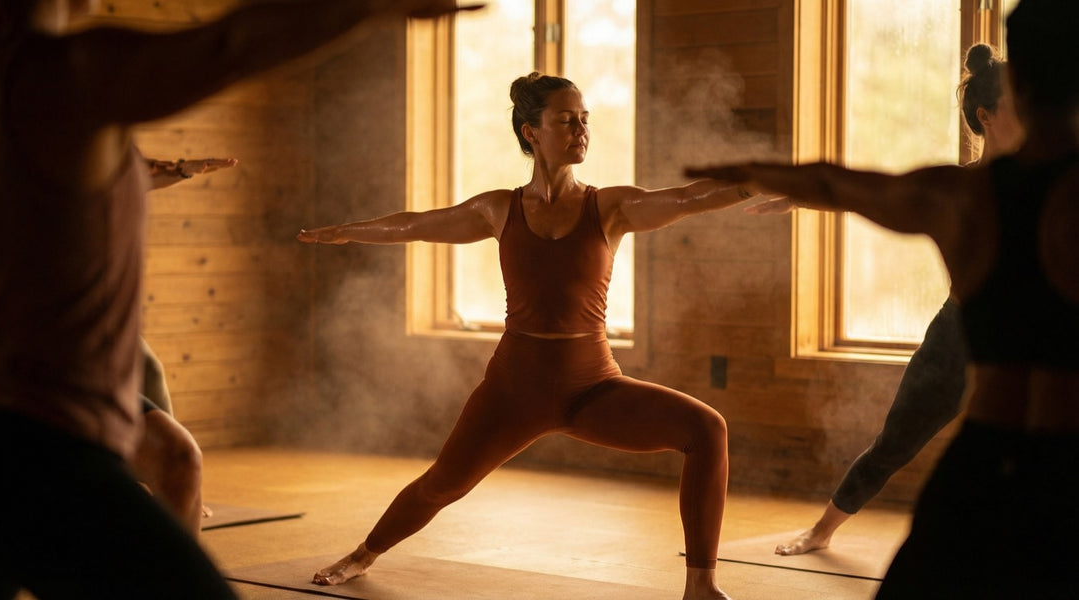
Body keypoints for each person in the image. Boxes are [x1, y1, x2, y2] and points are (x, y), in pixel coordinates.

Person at [0, 1, 480, 598]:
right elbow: (231, 44)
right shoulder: (60, 72)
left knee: (173, 455)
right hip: (39, 447)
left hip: (14, 432)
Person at [298, 72, 774, 600]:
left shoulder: (610, 207)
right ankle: (363, 554)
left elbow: (687, 199)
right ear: (531, 131)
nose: (581, 130)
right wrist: (346, 231)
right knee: (442, 485)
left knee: (707, 429)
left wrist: (760, 182)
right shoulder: (498, 209)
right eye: (567, 120)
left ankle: (700, 586)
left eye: (585, 120)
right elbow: (416, 225)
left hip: (591, 388)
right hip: (513, 390)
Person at [686, 0, 1079, 596]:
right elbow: (833, 186)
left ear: (1019, 82)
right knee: (904, 429)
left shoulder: (961, 198)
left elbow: (834, 181)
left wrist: (751, 170)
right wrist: (791, 185)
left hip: (988, 453)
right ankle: (827, 526)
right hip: (1053, 454)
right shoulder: (972, 191)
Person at [773, 43, 1025, 556]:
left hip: (1031, 333)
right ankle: (822, 531)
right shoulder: (959, 187)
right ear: (987, 115)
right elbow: (877, 193)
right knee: (896, 440)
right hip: (959, 332)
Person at [133, 157, 237, 534]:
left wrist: (181, 169)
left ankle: (168, 481)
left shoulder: (84, 173)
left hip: (86, 344)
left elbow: (135, 176)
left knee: (182, 455)